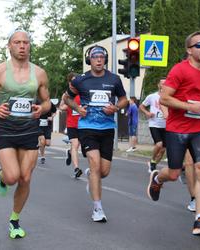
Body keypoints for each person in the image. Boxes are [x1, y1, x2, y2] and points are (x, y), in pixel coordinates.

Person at [0, 29, 51, 239]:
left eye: (26, 42)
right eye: (17, 42)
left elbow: (46, 101)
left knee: (25, 178)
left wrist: (42, 109)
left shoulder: (39, 73)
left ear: (30, 46)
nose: (22, 46)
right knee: (11, 178)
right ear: (9, 46)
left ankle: (14, 220)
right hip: (7, 128)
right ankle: (1, 174)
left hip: (29, 129)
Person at [146, 31, 200, 236]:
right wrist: (189, 106)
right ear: (189, 50)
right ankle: (157, 180)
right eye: (198, 45)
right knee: (173, 173)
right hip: (176, 130)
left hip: (199, 130)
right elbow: (164, 99)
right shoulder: (179, 70)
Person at [63, 45, 128, 222]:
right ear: (89, 60)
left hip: (107, 129)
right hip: (87, 128)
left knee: (103, 172)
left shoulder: (114, 79)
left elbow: (124, 99)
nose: (99, 59)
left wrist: (116, 107)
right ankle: (98, 208)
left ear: (105, 60)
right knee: (94, 163)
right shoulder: (80, 80)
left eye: (102, 57)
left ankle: (92, 177)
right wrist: (77, 108)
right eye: (95, 57)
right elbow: (66, 98)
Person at [139, 78, 166, 172]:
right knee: (159, 144)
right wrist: (147, 113)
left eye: (166, 84)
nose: (164, 85)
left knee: (163, 150)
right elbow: (141, 106)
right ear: (159, 85)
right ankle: (153, 159)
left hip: (166, 125)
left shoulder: (170, 97)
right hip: (154, 124)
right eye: (162, 83)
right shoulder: (152, 96)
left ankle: (152, 164)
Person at [59, 72, 83, 178]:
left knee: (79, 146)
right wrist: (70, 105)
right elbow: (61, 107)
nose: (74, 82)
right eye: (72, 80)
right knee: (75, 145)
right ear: (69, 83)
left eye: (76, 80)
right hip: (72, 124)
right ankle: (76, 169)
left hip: (83, 124)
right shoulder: (67, 94)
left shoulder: (83, 92)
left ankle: (69, 153)